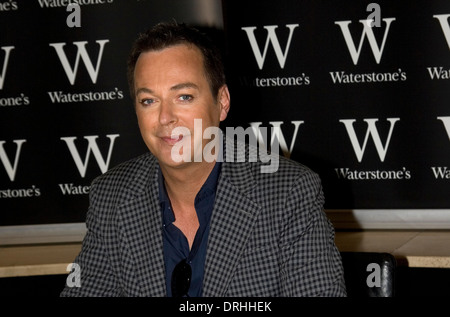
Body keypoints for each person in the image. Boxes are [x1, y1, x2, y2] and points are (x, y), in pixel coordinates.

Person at [60, 21, 346, 297]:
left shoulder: (288, 192)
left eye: (183, 96)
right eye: (148, 100)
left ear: (221, 102)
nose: (165, 118)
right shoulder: (111, 196)